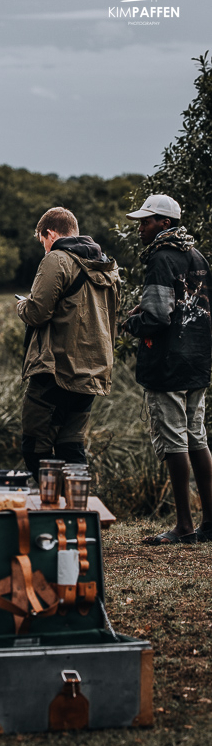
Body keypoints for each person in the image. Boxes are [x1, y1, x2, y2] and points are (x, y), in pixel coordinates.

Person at [122, 194, 212, 544]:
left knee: (175, 439)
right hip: (197, 361)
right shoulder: (198, 255)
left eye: (146, 221)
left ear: (165, 223)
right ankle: (209, 522)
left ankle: (184, 526)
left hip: (169, 363)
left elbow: (158, 317)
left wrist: (133, 322)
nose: (141, 227)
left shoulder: (161, 258)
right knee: (198, 437)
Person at [17, 207, 120, 481]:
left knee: (35, 445)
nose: (44, 249)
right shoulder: (108, 265)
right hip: (92, 370)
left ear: (50, 233)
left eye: (43, 242)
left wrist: (22, 306)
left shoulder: (57, 259)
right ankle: (75, 514)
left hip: (56, 370)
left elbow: (37, 312)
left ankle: (50, 510)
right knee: (70, 446)